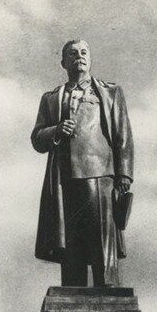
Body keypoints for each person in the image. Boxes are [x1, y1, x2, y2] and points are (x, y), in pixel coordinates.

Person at [31, 40, 134, 287]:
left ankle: (107, 288)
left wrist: (124, 174)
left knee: (102, 238)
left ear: (90, 58)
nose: (79, 56)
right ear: (63, 62)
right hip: (64, 177)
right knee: (70, 239)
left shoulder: (109, 92)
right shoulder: (51, 98)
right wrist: (56, 130)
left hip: (101, 174)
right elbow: (37, 138)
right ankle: (73, 289)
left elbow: (123, 134)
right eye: (73, 53)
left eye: (84, 52)